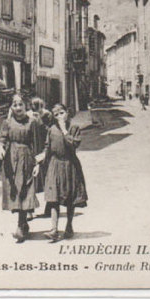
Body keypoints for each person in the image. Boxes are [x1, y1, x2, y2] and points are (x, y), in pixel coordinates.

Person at [39, 103, 88, 241]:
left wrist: (64, 130)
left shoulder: (74, 128)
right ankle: (54, 229)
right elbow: (47, 147)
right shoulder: (52, 129)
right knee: (53, 197)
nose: (60, 116)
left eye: (62, 113)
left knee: (69, 198)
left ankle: (69, 226)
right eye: (56, 114)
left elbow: (74, 145)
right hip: (55, 165)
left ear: (67, 112)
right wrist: (40, 161)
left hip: (70, 164)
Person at [0, 94, 40, 243]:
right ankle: (23, 223)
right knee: (14, 190)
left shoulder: (32, 122)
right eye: (15, 105)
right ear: (11, 107)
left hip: (26, 158)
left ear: (25, 106)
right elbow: (2, 138)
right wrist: (0, 148)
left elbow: (36, 143)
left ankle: (21, 225)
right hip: (11, 159)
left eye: (20, 104)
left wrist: (37, 162)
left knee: (24, 190)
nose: (18, 108)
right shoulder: (7, 123)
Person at [29, 97, 53, 218]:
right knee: (35, 179)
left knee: (45, 179)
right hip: (37, 148)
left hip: (40, 149)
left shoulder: (45, 115)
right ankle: (31, 208)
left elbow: (49, 131)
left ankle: (47, 207)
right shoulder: (32, 116)